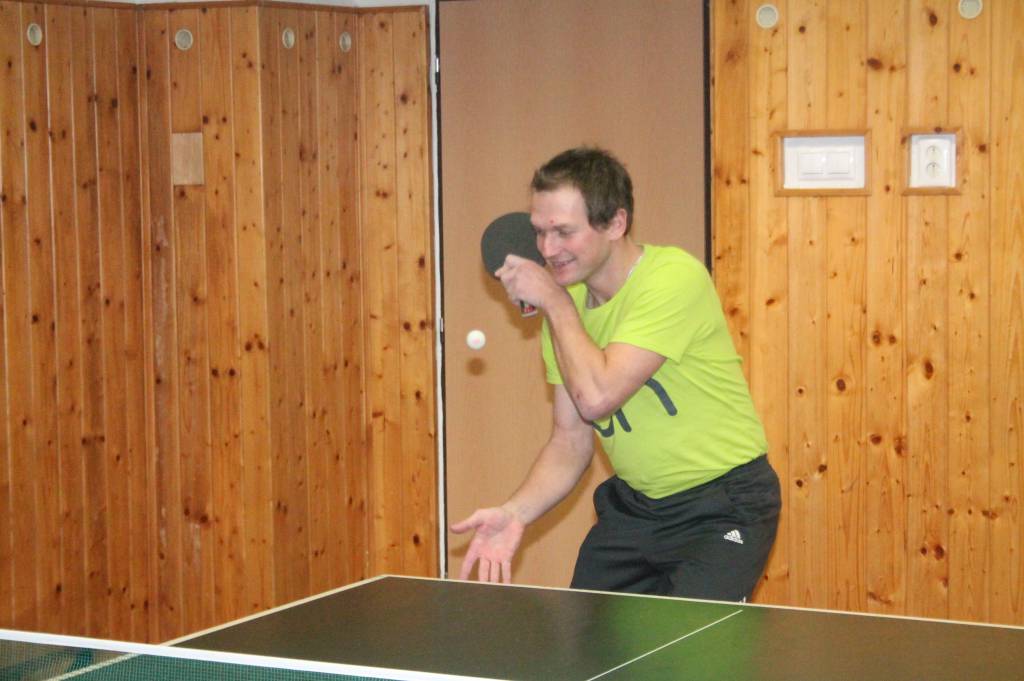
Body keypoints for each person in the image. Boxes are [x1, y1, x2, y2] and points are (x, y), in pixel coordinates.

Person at [451, 147, 780, 601]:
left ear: (615, 223)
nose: (547, 249)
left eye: (564, 232)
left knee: (690, 644)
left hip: (721, 505)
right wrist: (515, 512)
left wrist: (555, 304)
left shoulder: (673, 278)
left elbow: (598, 396)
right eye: (540, 232)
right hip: (636, 508)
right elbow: (570, 442)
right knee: (587, 641)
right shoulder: (566, 310)